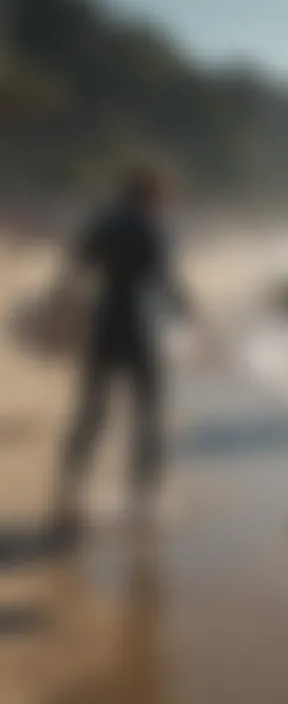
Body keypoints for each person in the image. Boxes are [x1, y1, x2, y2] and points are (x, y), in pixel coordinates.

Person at [47, 168, 196, 549]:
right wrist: (190, 312)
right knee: (148, 412)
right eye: (164, 196)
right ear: (151, 195)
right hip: (139, 327)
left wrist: (63, 309)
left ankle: (69, 491)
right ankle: (143, 500)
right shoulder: (150, 226)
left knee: (92, 410)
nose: (167, 203)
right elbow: (164, 280)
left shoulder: (102, 223)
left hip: (103, 324)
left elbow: (74, 269)